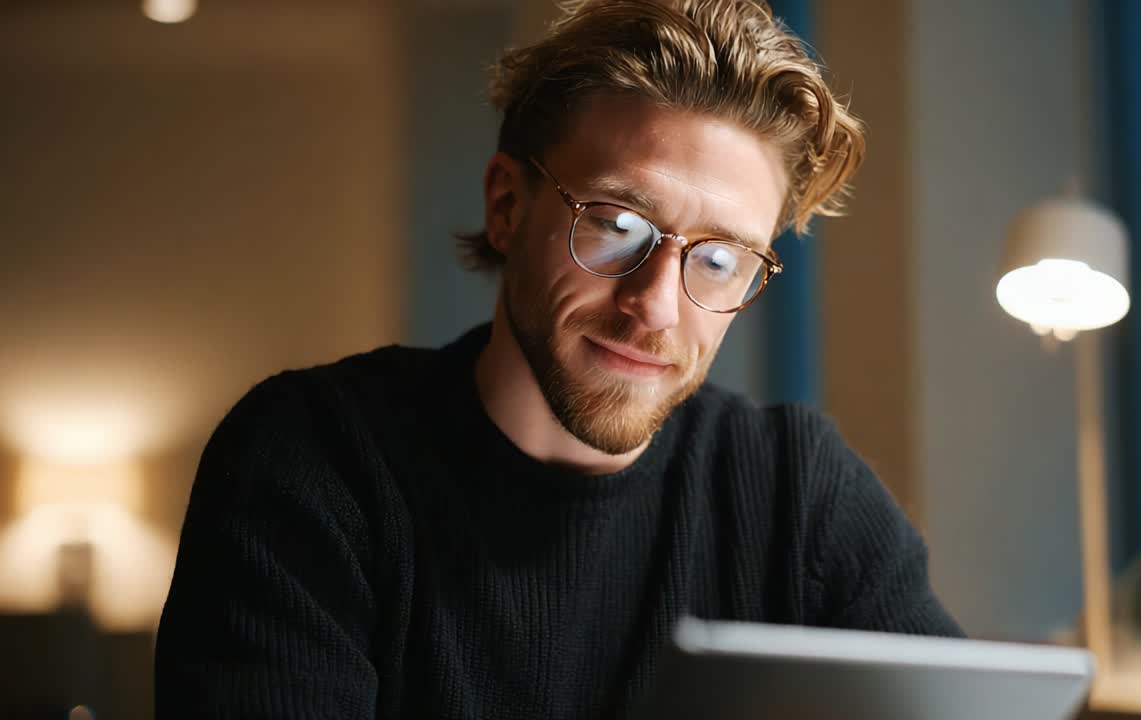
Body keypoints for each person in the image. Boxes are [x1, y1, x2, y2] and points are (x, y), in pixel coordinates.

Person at [155, 0, 962, 717]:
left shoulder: (797, 488)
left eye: (719, 259)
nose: (655, 305)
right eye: (616, 223)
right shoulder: (314, 461)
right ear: (507, 206)